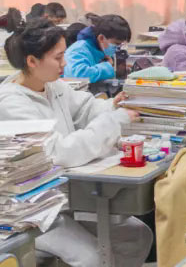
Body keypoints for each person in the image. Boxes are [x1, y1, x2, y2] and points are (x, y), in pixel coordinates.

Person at [0, 19, 152, 267]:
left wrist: (114, 106)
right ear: (32, 61)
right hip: (29, 211)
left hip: (62, 199)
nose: (65, 63)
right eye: (58, 57)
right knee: (92, 257)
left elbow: (85, 109)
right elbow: (60, 153)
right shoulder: (12, 104)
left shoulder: (51, 85)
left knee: (136, 236)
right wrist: (114, 121)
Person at [63, 14, 131, 83]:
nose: (118, 48)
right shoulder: (78, 50)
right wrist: (108, 66)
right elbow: (80, 76)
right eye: (116, 44)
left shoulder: (101, 48)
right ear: (101, 38)